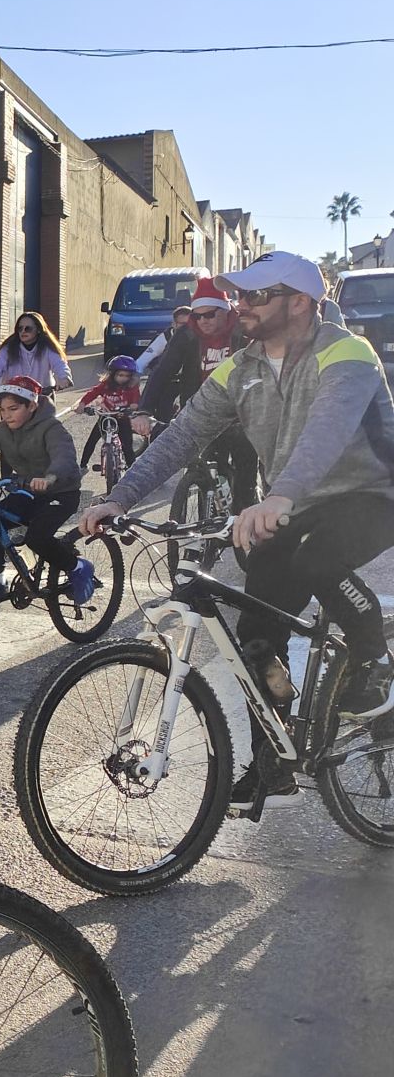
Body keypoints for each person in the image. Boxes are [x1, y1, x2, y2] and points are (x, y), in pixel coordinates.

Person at [83, 251, 394, 806]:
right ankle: (271, 764)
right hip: (293, 503)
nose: (240, 305)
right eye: (239, 295)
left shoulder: (347, 353)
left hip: (370, 494)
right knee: (255, 637)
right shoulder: (241, 367)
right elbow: (181, 436)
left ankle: (373, 660)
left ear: (300, 302)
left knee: (318, 561)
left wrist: (277, 497)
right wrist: (118, 498)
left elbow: (325, 434)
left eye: (255, 295)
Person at [0, 375, 94, 600]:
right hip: (28, 491)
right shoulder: (4, 430)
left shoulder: (52, 428)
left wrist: (49, 478)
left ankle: (77, 567)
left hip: (59, 492)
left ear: (32, 405)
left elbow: (64, 458)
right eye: (2, 410)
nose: (6, 415)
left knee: (37, 538)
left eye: (13, 408)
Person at [137, 276, 258, 511]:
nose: (202, 321)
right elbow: (162, 371)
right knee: (205, 470)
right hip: (203, 411)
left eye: (210, 314)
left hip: (243, 413)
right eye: (197, 315)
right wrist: (144, 410)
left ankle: (246, 516)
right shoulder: (187, 334)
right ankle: (208, 522)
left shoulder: (245, 328)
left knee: (244, 479)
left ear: (225, 310)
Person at [0, 310, 73, 402]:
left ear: (38, 330)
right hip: (13, 399)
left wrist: (64, 378)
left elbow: (59, 364)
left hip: (42, 398)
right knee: (9, 415)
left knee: (47, 416)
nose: (23, 332)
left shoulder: (48, 348)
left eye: (28, 328)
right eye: (20, 329)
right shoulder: (8, 349)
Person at [74, 356, 143, 471]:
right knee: (92, 440)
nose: (124, 379)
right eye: (120, 375)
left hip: (122, 417)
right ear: (112, 374)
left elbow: (135, 402)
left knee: (127, 444)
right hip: (106, 416)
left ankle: (132, 469)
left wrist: (130, 409)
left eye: (127, 376)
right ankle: (83, 465)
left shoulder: (131, 387)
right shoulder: (106, 385)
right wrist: (82, 405)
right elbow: (93, 393)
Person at [135, 304, 192, 376]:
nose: (187, 327)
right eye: (183, 324)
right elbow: (142, 361)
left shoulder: (199, 336)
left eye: (190, 324)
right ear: (174, 324)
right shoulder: (164, 338)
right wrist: (135, 375)